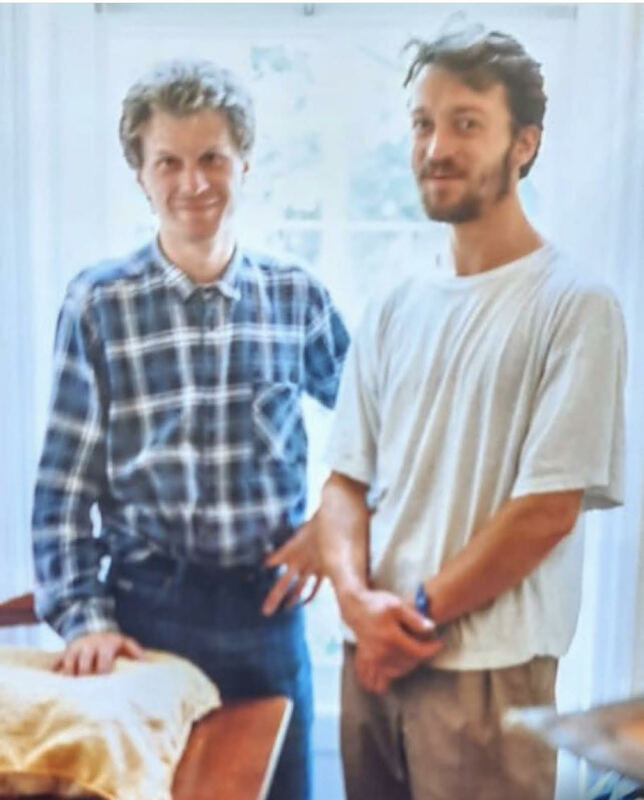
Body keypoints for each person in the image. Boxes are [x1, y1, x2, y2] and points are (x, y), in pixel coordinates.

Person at [319, 27, 626, 800]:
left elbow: (547, 510)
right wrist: (355, 602)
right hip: (371, 662)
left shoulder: (576, 304)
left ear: (525, 143)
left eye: (465, 123)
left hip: (488, 674)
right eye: (422, 123)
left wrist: (412, 621)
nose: (435, 147)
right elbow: (343, 483)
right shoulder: (393, 304)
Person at [32, 59, 349, 800]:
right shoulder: (98, 304)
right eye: (168, 162)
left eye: (212, 157)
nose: (193, 182)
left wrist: (335, 520)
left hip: (268, 619)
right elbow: (62, 488)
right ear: (141, 176)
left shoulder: (295, 296)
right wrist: (85, 620)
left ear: (245, 162)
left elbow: (384, 425)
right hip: (145, 619)